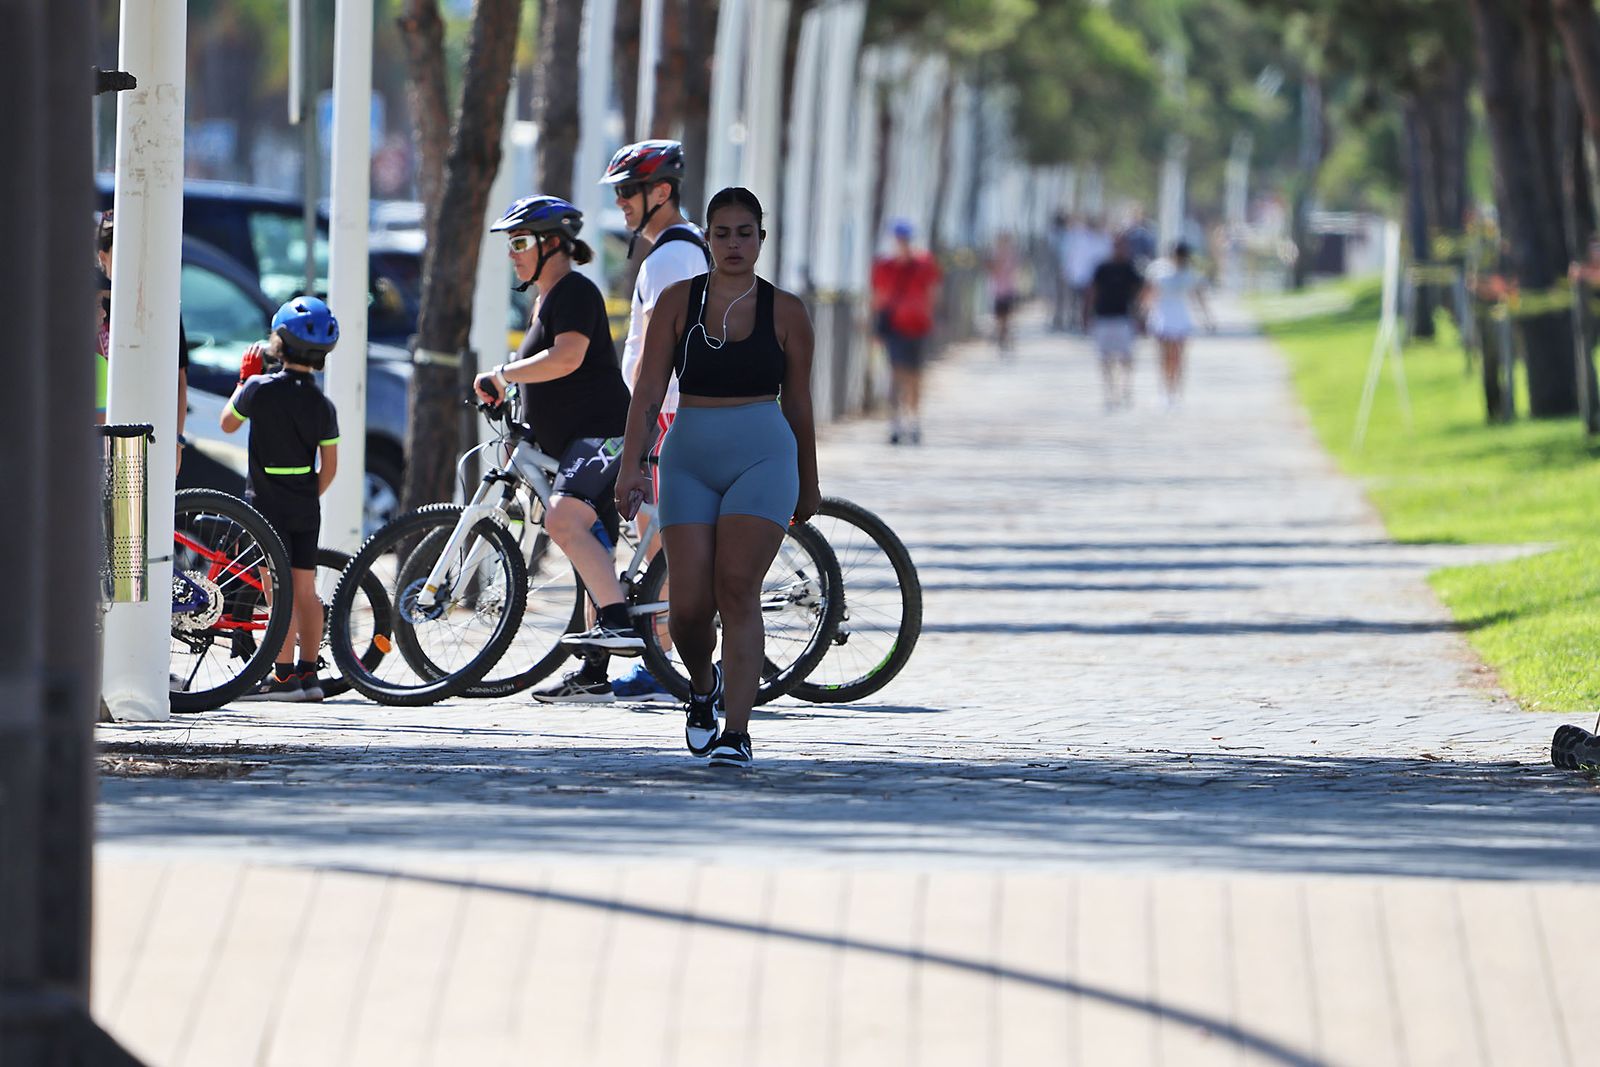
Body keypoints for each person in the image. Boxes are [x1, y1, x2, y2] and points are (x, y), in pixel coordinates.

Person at [613, 187, 820, 769]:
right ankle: (701, 690)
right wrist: (631, 464)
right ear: (707, 238)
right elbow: (649, 390)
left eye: (745, 232)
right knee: (687, 609)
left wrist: (809, 478)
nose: (733, 243)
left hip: (764, 455)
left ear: (761, 238)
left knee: (737, 587)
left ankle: (736, 730)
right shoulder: (678, 301)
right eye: (722, 232)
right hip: (689, 458)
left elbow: (800, 403)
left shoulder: (788, 312)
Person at [470, 195, 643, 703]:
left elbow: (567, 359)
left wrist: (502, 372)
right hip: (574, 441)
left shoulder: (575, 291)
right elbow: (550, 376)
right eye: (510, 244)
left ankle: (616, 623)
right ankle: (593, 674)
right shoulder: (544, 298)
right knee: (595, 547)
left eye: (520, 242)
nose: (513, 254)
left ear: (553, 246)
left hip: (605, 433)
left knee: (562, 521)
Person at [597, 139, 711, 703]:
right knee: (658, 530)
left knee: (662, 533)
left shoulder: (670, 256)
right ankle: (668, 654)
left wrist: (638, 418)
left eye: (627, 192)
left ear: (660, 192)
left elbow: (662, 347)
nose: (619, 202)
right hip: (674, 408)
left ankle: (667, 661)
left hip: (668, 411)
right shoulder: (677, 250)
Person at [221, 297, 341, 701]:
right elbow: (330, 467)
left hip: (265, 507)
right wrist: (308, 495)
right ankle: (310, 676)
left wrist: (243, 379)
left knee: (279, 593)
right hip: (306, 507)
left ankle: (284, 677)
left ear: (279, 343)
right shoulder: (323, 405)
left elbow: (227, 424)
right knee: (306, 592)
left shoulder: (258, 388)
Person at [96, 209, 189, 471]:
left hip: (147, 431)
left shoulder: (163, 302)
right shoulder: (93, 300)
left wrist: (177, 440)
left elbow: (179, 378)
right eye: (123, 254)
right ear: (103, 257)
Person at [871, 219, 941, 444]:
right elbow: (878, 297)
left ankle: (913, 420)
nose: (902, 244)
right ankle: (895, 422)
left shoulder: (924, 264)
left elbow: (933, 293)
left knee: (915, 376)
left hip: (919, 327)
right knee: (895, 374)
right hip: (895, 328)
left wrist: (931, 317)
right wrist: (875, 326)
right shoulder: (885, 266)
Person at [1142, 242, 1214, 408]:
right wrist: (1143, 313)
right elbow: (1149, 294)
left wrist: (1207, 319)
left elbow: (1198, 297)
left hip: (1181, 320)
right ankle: (1164, 392)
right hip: (1162, 319)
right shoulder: (1158, 271)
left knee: (1178, 358)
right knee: (1164, 357)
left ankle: (1175, 392)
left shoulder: (1190, 274)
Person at [1085, 234, 1146, 411]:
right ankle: (1109, 392)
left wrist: (1140, 314)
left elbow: (1142, 291)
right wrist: (1087, 314)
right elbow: (1092, 291)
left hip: (1123, 317)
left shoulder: (1130, 269)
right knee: (1105, 358)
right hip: (1103, 317)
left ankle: (1126, 389)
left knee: (1126, 357)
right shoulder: (1102, 268)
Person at [987, 231, 1021, 356]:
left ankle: (1004, 339)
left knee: (1007, 317)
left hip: (1008, 290)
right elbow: (991, 270)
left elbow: (1015, 272)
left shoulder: (1012, 256)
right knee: (999, 317)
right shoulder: (994, 255)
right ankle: (1001, 338)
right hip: (997, 291)